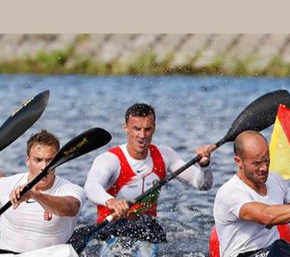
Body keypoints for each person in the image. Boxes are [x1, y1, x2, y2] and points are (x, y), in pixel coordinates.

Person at [83, 103, 215, 242]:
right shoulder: (111, 160)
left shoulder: (164, 155)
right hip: (110, 228)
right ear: (126, 128)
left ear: (154, 128)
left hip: (147, 229)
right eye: (136, 129)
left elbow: (202, 185)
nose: (142, 135)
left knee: (149, 225)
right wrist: (110, 201)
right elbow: (91, 187)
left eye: (147, 129)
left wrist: (204, 166)